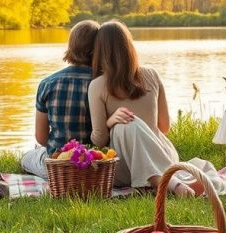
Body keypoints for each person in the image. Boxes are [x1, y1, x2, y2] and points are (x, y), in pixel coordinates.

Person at [88, 20, 219, 196]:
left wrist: (111, 124)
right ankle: (171, 183)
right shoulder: (151, 74)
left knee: (126, 124)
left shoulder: (97, 85)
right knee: (128, 124)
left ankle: (167, 184)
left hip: (127, 167)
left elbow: (98, 140)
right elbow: (164, 127)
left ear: (100, 51)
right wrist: (114, 121)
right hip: (165, 157)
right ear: (129, 47)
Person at [21, 20, 100, 179]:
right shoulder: (104, 83)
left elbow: (41, 137)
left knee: (26, 157)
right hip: (96, 164)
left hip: (57, 167)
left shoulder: (48, 83)